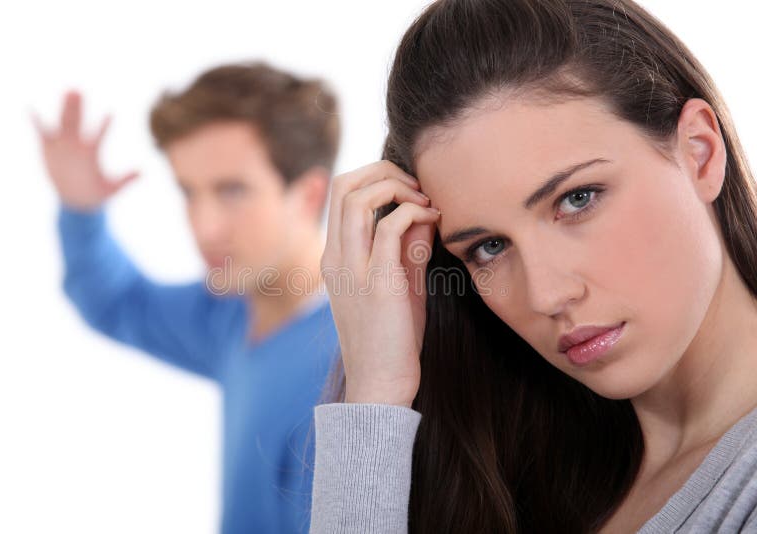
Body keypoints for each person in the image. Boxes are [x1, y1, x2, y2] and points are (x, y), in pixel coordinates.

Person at [310, 0, 757, 532]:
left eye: (577, 199)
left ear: (700, 153)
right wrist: (376, 392)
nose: (546, 296)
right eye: (489, 248)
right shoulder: (533, 478)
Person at [33, 62, 341, 533]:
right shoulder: (229, 313)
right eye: (188, 191)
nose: (204, 228)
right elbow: (117, 302)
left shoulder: (346, 372)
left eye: (232, 190)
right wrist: (82, 210)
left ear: (309, 194)